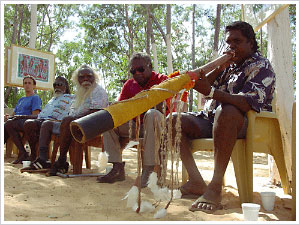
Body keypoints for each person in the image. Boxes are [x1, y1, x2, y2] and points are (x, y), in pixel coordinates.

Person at [171, 21, 275, 213]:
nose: (231, 46)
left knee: (227, 110)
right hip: (210, 118)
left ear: (251, 43)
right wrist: (219, 67)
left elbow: (245, 103)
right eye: (228, 42)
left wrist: (212, 93)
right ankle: (195, 180)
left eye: (237, 41)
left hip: (241, 122)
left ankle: (215, 186)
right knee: (173, 120)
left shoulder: (261, 65)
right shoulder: (228, 66)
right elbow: (202, 84)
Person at [97, 52, 171, 187]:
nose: (137, 73)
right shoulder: (129, 85)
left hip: (157, 126)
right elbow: (121, 109)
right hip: (136, 125)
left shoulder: (163, 80)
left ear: (150, 66)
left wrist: (141, 102)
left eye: (141, 69)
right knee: (108, 121)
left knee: (152, 114)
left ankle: (149, 169)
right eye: (133, 71)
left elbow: (163, 108)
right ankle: (117, 167)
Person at [48, 65, 109, 175]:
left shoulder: (98, 91)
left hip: (95, 123)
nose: (85, 79)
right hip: (78, 124)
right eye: (82, 77)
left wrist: (75, 120)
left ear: (94, 78)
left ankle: (61, 161)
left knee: (68, 121)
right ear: (77, 79)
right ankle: (55, 161)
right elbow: (72, 112)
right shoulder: (78, 93)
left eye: (89, 76)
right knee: (56, 123)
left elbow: (97, 112)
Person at [22, 76, 74, 169]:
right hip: (42, 120)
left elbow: (72, 113)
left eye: (60, 84)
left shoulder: (71, 98)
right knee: (28, 123)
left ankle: (43, 158)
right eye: (55, 85)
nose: (57, 86)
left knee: (46, 124)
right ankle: (34, 154)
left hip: (55, 122)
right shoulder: (52, 100)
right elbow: (40, 115)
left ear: (65, 86)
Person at [4, 76, 42, 164]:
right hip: (15, 122)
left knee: (9, 124)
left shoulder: (35, 98)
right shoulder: (21, 99)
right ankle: (23, 153)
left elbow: (35, 115)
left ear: (34, 86)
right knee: (5, 125)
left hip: (27, 122)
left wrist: (18, 117)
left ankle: (23, 153)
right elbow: (13, 115)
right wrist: (7, 117)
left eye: (29, 83)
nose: (27, 85)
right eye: (25, 83)